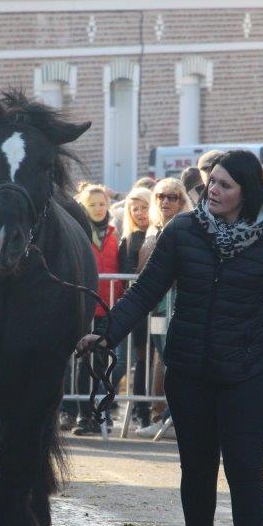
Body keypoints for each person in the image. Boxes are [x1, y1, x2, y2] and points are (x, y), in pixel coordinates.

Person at [77, 151, 263, 526]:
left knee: (246, 473)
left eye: (225, 185)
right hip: (190, 373)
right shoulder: (182, 232)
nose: (213, 190)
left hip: (245, 374)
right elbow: (145, 291)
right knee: (197, 472)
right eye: (212, 182)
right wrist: (106, 333)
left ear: (246, 193)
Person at [135, 177, 192, 439]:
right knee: (163, 360)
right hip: (158, 307)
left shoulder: (189, 226)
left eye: (172, 197)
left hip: (183, 307)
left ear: (182, 201)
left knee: (177, 362)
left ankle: (176, 417)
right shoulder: (153, 229)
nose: (166, 201)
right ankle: (163, 415)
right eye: (161, 196)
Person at [72, 184, 124, 436]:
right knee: (85, 365)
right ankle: (84, 415)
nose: (98, 209)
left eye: (102, 204)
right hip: (85, 307)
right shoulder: (79, 234)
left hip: (109, 308)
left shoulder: (116, 235)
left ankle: (103, 413)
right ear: (84, 207)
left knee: (105, 364)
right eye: (92, 204)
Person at [118, 187, 152, 429]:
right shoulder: (129, 240)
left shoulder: (159, 234)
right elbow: (126, 274)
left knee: (155, 360)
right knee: (141, 360)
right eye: (135, 209)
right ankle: (142, 410)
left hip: (160, 308)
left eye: (144, 207)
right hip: (141, 309)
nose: (140, 213)